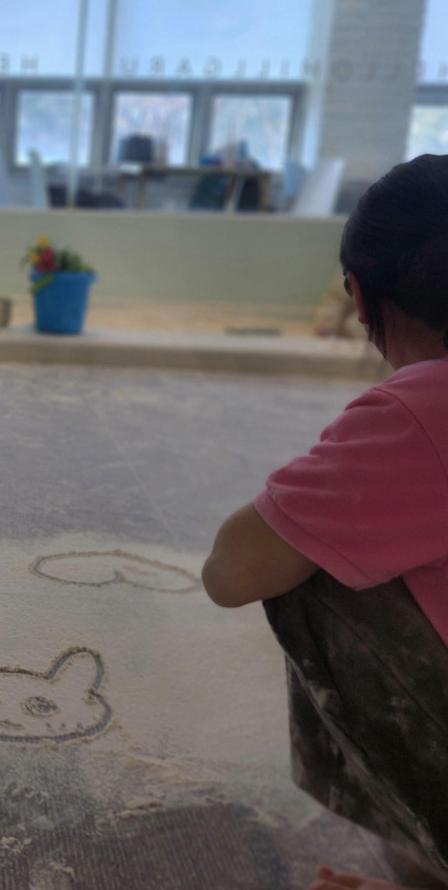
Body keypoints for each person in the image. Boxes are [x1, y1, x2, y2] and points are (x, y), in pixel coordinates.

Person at [202, 154, 448, 890]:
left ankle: (427, 853)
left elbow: (229, 572)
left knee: (311, 561)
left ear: (360, 298)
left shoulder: (423, 409)